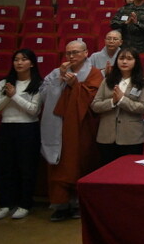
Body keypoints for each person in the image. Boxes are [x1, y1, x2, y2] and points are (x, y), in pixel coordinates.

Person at [39, 40, 104, 221]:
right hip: (58, 125)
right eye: (68, 53)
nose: (71, 57)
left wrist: (75, 85)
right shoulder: (56, 73)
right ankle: (60, 204)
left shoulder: (93, 73)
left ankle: (77, 203)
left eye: (75, 52)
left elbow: (93, 97)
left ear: (85, 53)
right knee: (58, 164)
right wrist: (59, 81)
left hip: (80, 127)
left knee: (78, 162)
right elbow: (43, 95)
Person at [0, 50, 43, 220]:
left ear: (32, 63)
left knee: (26, 168)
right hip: (7, 127)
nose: (19, 63)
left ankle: (24, 203)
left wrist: (14, 96)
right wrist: (8, 96)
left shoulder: (37, 84)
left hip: (28, 129)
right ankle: (5, 204)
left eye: (24, 60)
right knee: (5, 168)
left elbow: (33, 110)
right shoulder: (4, 83)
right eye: (16, 60)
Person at [90, 48, 144, 165]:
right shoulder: (107, 81)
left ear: (136, 62)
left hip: (131, 137)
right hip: (107, 135)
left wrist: (122, 100)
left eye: (129, 59)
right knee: (107, 173)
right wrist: (112, 102)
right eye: (121, 58)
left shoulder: (142, 83)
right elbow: (95, 105)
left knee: (129, 173)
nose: (124, 62)